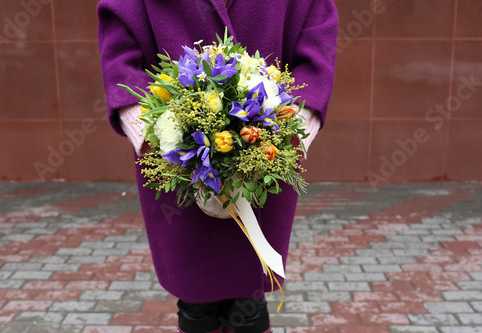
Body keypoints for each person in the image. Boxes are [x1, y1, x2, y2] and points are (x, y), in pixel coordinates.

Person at [97, 1, 338, 332]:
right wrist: (148, 128)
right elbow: (121, 54)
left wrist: (293, 125)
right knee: (196, 297)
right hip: (177, 157)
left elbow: (317, 42)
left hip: (263, 152)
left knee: (248, 298)